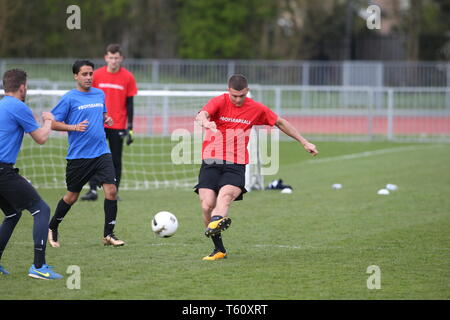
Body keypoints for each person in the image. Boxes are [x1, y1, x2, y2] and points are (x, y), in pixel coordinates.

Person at [194, 74, 318, 261]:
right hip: (211, 160)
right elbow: (202, 114)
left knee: (225, 197)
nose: (237, 99)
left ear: (247, 91)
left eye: (241, 96)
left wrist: (304, 142)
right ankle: (219, 248)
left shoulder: (255, 108)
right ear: (229, 91)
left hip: (236, 164)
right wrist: (205, 122)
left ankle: (216, 220)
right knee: (206, 204)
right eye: (234, 96)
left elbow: (280, 122)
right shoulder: (219, 102)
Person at [47, 60, 125, 248]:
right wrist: (73, 126)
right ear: (76, 76)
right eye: (84, 74)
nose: (89, 77)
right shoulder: (69, 98)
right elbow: (52, 123)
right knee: (72, 197)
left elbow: (102, 114)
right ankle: (52, 226)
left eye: (91, 74)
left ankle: (108, 234)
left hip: (101, 152)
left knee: (111, 191)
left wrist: (106, 117)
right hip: (79, 157)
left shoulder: (99, 94)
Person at [0, 69, 63, 279]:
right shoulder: (18, 106)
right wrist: (48, 121)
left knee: (12, 213)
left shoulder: (1, 105)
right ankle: (38, 266)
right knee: (41, 209)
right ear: (22, 87)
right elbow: (41, 138)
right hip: (2, 171)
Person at [81, 43, 138, 201]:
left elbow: (130, 104)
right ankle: (92, 190)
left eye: (117, 58)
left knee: (115, 160)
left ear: (121, 59)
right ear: (106, 58)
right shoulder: (96, 75)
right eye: (111, 58)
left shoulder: (128, 77)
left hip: (118, 125)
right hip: (97, 123)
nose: (114, 61)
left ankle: (114, 192)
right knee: (93, 156)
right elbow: (88, 98)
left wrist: (130, 128)